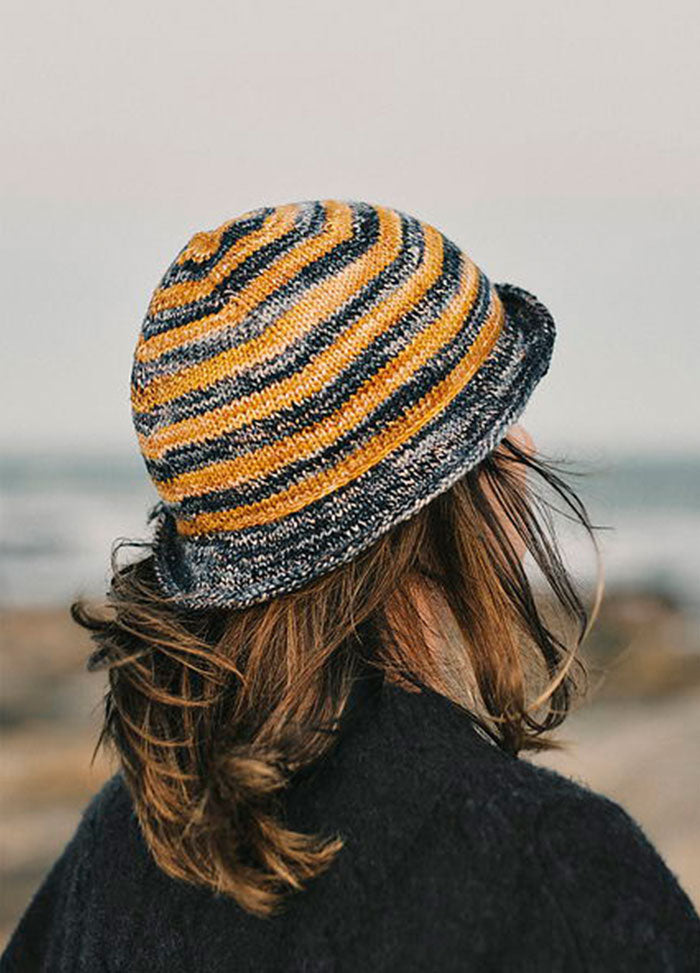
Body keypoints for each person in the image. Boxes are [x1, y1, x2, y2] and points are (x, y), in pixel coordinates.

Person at [2, 199, 698, 972]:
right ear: (421, 490)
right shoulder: (553, 868)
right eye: (491, 421)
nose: (525, 445)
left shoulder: (127, 844)